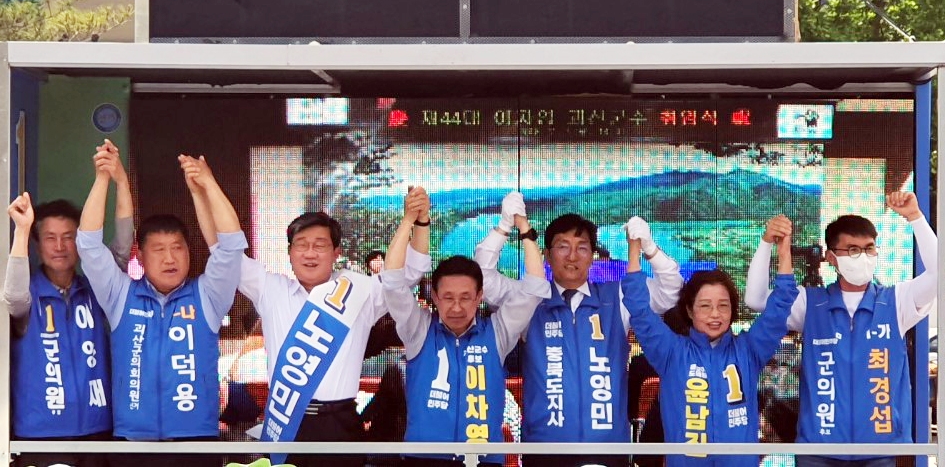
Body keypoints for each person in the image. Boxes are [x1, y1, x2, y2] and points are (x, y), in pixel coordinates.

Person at [197, 186, 433, 467]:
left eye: (319, 245)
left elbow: (410, 273)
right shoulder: (270, 289)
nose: (310, 253)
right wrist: (204, 189)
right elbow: (224, 250)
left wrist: (418, 221)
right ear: (290, 252)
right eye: (301, 244)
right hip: (286, 422)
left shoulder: (360, 292)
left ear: (336, 252)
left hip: (340, 426)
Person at [475, 195, 684, 467]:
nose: (572, 256)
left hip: (607, 450)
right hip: (544, 450)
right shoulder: (529, 298)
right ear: (547, 255)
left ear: (593, 256)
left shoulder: (618, 297)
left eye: (582, 247)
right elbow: (482, 279)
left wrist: (650, 249)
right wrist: (504, 227)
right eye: (562, 246)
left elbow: (670, 291)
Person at [76, 140, 247, 467]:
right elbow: (88, 244)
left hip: (196, 442)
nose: (170, 258)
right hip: (132, 443)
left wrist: (207, 185)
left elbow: (230, 246)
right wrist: (103, 179)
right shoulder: (121, 295)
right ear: (141, 254)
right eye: (159, 250)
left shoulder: (208, 296)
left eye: (178, 248)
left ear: (189, 251)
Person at [744, 192, 937, 467]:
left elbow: (938, 273)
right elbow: (756, 299)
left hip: (879, 450)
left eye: (869, 248)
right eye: (853, 250)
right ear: (831, 257)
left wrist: (915, 218)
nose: (863, 257)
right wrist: (766, 243)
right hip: (819, 450)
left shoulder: (897, 301)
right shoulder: (810, 303)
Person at [383, 188, 549, 466]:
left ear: (480, 297)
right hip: (424, 459)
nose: (457, 307)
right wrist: (409, 220)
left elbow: (533, 288)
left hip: (484, 459)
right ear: (434, 296)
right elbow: (392, 281)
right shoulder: (418, 330)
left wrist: (521, 226)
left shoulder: (498, 332)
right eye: (447, 298)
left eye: (465, 298)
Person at [622, 219, 798, 467]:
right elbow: (639, 309)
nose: (715, 314)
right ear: (689, 311)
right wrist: (635, 248)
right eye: (705, 306)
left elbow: (780, 305)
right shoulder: (671, 351)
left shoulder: (749, 349)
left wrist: (781, 248)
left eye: (723, 306)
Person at [3, 185, 132, 467]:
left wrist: (118, 182)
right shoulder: (29, 296)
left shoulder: (95, 291)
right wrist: (22, 231)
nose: (59, 247)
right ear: (38, 245)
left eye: (68, 237)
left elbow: (121, 253)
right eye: (50, 238)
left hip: (97, 434)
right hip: (41, 437)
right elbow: (12, 296)